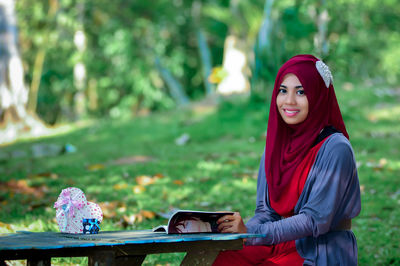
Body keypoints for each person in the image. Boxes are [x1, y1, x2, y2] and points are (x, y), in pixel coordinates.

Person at [213, 54, 361, 265]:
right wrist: (237, 232)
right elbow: (266, 213)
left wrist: (252, 231)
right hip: (279, 241)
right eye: (283, 91)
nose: (289, 101)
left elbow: (314, 221)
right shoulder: (276, 146)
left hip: (319, 248)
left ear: (318, 95)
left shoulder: (336, 148)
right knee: (221, 257)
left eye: (301, 92)